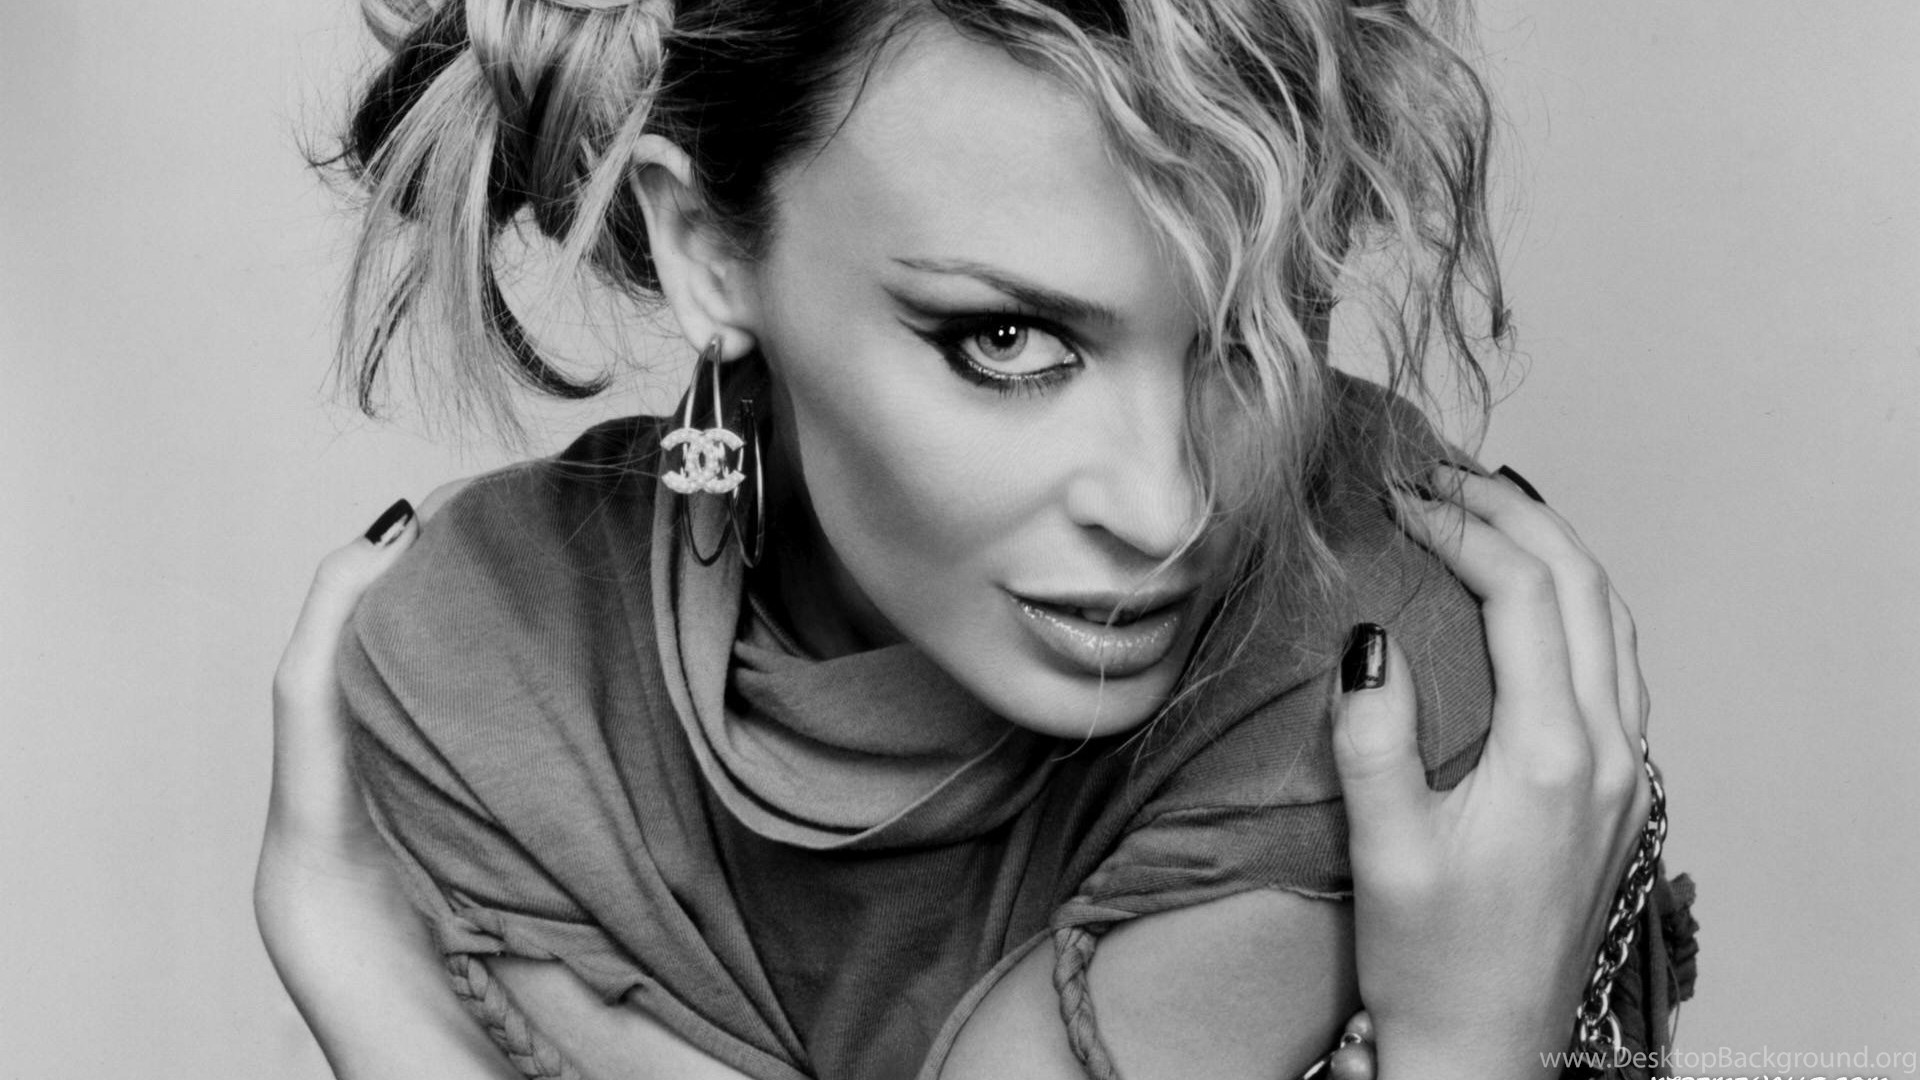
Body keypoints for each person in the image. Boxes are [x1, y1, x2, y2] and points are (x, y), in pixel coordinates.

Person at [256, 0, 1698, 1077]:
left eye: (1249, 329)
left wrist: (386, 1004)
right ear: (707, 250)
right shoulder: (496, 661)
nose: (1168, 509)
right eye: (1005, 341)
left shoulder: (1373, 667)